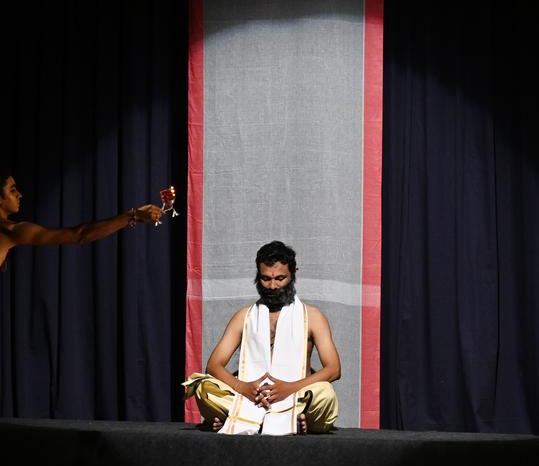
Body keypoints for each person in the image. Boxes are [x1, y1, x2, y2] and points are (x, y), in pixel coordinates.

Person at [182, 240, 340, 434]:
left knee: (325, 394)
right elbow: (213, 365)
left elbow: (333, 368)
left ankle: (233, 419)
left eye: (280, 278)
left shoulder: (313, 317)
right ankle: (293, 423)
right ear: (258, 275)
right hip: (251, 397)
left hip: (296, 395)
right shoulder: (243, 317)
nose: (273, 286)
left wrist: (288, 388)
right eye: (266, 279)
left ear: (294, 274)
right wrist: (243, 387)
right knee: (203, 387)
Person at [0, 170, 163, 269]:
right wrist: (132, 215)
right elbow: (80, 235)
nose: (19, 195)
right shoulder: (9, 231)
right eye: (12, 191)